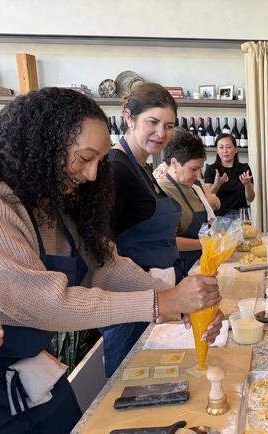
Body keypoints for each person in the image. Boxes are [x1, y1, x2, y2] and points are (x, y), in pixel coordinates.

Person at [0, 88, 223, 434]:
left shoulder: (56, 205)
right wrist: (158, 304)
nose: (93, 174)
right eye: (84, 159)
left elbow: (106, 267)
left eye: (98, 160)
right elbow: (46, 303)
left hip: (41, 380)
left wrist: (175, 301)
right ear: (41, 144)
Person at [105, 82, 182, 377]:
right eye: (153, 122)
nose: (161, 133)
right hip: (129, 303)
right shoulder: (116, 169)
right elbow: (103, 250)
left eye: (169, 125)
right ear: (129, 117)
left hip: (152, 292)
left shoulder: (143, 167)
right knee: (127, 386)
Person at [157, 128, 221, 281]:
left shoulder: (194, 188)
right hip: (177, 274)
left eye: (200, 168)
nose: (199, 175)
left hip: (197, 267)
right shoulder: (161, 192)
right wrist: (205, 243)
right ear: (175, 163)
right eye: (194, 169)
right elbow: (168, 242)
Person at [202, 133, 254, 219]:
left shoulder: (244, 168)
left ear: (236, 149)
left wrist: (247, 185)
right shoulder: (211, 169)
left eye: (229, 147)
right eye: (221, 147)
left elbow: (250, 198)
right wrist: (217, 184)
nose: (225, 151)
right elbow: (209, 198)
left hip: (241, 216)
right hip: (219, 216)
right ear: (217, 150)